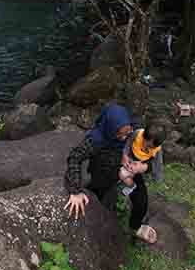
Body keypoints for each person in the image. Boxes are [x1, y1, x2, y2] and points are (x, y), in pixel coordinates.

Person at [64, 103, 158, 243]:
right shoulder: (95, 141)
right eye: (120, 134)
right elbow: (74, 158)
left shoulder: (133, 130)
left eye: (128, 133)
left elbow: (152, 154)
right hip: (103, 173)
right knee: (100, 202)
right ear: (110, 128)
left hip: (128, 169)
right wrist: (75, 190)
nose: (124, 138)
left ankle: (136, 226)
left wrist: (143, 167)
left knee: (141, 200)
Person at [119, 125, 166, 196]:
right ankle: (131, 184)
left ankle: (132, 185)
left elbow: (158, 164)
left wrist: (158, 179)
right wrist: (125, 155)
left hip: (142, 162)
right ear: (143, 135)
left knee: (124, 174)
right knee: (122, 174)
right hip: (131, 158)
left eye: (150, 147)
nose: (146, 147)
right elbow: (128, 143)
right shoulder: (137, 133)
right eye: (145, 143)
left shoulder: (157, 149)